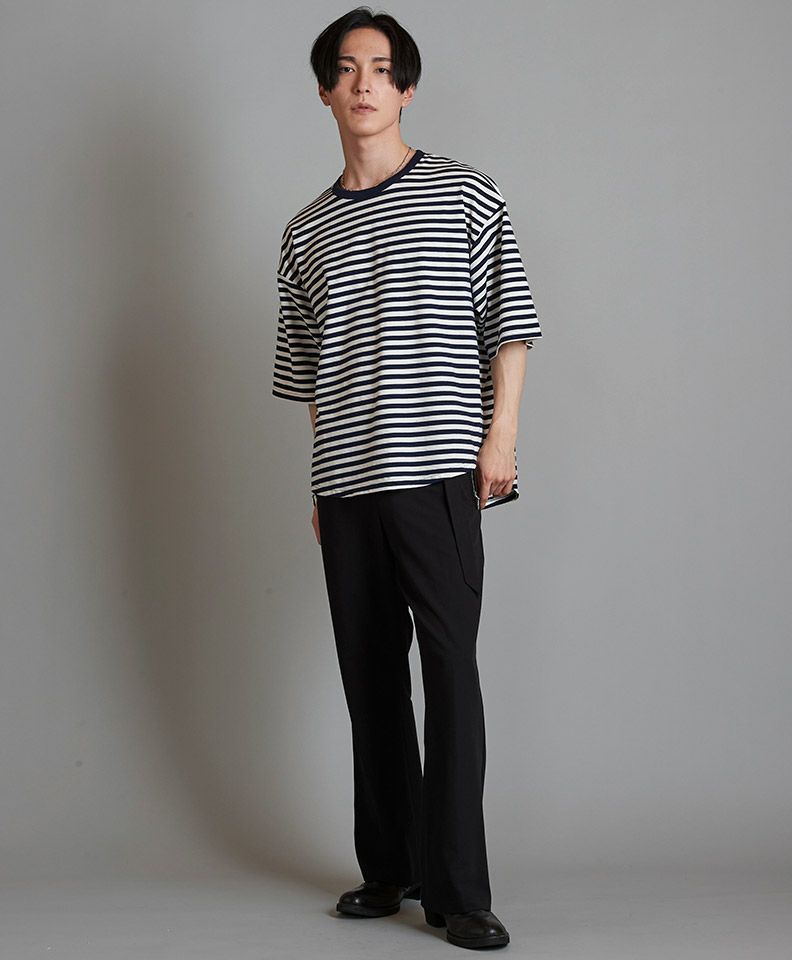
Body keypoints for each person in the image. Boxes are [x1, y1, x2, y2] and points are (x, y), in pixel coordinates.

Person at [272, 6, 542, 951]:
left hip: (438, 477)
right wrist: (322, 482)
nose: (364, 84)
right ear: (324, 91)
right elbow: (308, 373)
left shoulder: (466, 191)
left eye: (382, 69)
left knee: (450, 675)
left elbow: (511, 322)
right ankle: (388, 867)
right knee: (370, 679)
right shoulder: (303, 232)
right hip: (345, 492)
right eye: (346, 69)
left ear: (407, 88)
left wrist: (500, 439)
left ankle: (459, 892)